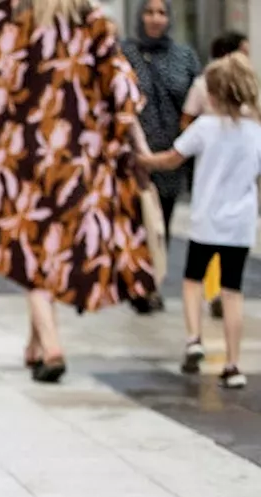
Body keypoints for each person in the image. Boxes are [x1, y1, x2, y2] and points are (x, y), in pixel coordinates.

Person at [0, 0, 157, 383]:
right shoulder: (89, 16)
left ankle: (49, 346)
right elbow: (120, 88)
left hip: (18, 149)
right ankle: (36, 343)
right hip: (73, 153)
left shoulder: (7, 12)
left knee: (29, 245)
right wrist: (142, 150)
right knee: (43, 247)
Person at [140, 53, 261, 389]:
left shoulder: (205, 128)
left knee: (193, 281)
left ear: (216, 93)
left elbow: (171, 159)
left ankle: (194, 339)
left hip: (206, 220)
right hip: (239, 225)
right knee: (232, 292)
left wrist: (142, 160)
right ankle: (234, 365)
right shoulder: (256, 132)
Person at [122, 0, 201, 313]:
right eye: (149, 12)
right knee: (135, 222)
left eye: (161, 13)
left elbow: (195, 103)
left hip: (171, 156)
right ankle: (137, 284)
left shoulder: (184, 57)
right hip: (132, 156)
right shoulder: (124, 54)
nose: (155, 19)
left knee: (160, 224)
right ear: (141, 17)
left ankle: (151, 283)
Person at [182, 31, 249, 321]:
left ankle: (219, 294)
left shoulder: (248, 88)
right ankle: (215, 293)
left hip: (236, 170)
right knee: (211, 241)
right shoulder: (203, 85)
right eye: (243, 51)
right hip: (214, 166)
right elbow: (187, 118)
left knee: (218, 240)